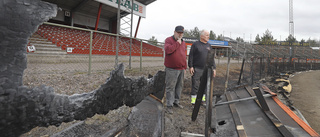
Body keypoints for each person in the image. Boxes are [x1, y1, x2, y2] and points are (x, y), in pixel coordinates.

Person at [188, 30, 216, 105]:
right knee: (195, 85)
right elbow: (191, 56)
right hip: (197, 68)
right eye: (206, 35)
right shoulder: (195, 44)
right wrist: (191, 66)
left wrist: (214, 68)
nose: (208, 37)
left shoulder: (209, 46)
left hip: (206, 69)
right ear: (202, 36)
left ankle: (202, 100)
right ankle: (194, 101)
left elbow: (212, 58)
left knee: (204, 86)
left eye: (208, 35)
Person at [164, 25, 187, 114]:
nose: (180, 34)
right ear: (174, 32)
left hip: (181, 68)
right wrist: (177, 43)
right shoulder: (168, 40)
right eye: (178, 33)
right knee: (170, 87)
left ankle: (176, 102)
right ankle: (169, 105)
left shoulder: (183, 42)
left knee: (179, 86)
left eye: (181, 33)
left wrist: (185, 67)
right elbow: (168, 50)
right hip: (171, 69)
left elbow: (183, 56)